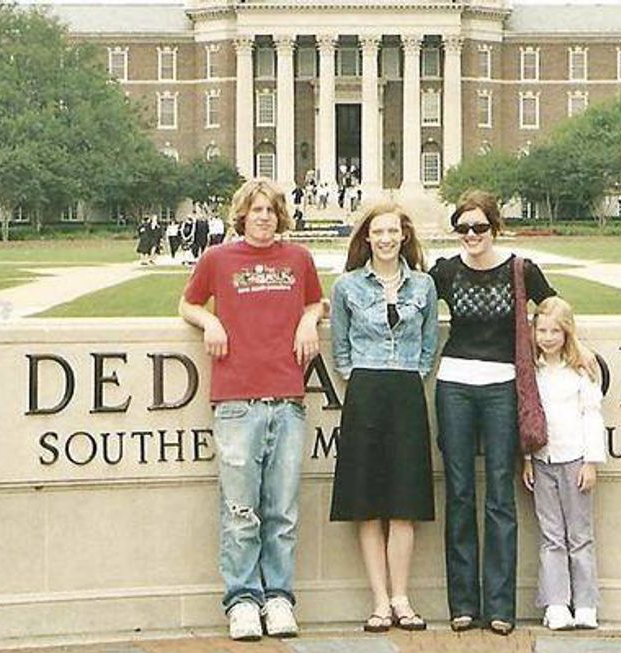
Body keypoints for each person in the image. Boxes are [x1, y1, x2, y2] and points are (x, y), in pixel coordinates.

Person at [179, 178, 324, 641]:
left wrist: (308, 320)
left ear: (281, 216)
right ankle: (242, 600)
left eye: (270, 210)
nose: (263, 217)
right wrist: (210, 320)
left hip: (287, 398)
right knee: (241, 510)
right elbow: (187, 303)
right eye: (256, 210)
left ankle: (278, 598)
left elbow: (316, 301)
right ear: (242, 215)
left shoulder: (298, 259)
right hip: (236, 400)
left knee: (282, 511)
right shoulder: (218, 258)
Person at [429, 190, 556, 636]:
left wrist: (571, 351)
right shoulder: (445, 271)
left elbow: (554, 310)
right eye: (463, 227)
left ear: (495, 227)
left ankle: (500, 606)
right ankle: (463, 603)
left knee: (501, 494)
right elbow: (409, 301)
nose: (471, 235)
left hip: (503, 386)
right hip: (454, 385)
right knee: (460, 492)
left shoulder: (521, 269)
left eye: (479, 227)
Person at [329, 202, 439, 634]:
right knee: (369, 504)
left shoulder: (424, 285)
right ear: (367, 238)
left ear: (404, 236)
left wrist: (412, 372)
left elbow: (429, 344)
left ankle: (401, 598)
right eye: (378, 232)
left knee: (404, 505)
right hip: (365, 391)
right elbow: (340, 347)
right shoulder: (347, 286)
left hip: (406, 390)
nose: (386, 239)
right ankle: (379, 601)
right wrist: (357, 375)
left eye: (393, 231)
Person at [521, 297, 605, 631]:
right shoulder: (532, 371)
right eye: (541, 330)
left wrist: (591, 461)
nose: (547, 337)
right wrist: (527, 459)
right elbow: (527, 417)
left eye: (555, 331)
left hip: (575, 460)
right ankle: (556, 603)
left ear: (567, 332)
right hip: (543, 460)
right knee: (551, 535)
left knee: (580, 536)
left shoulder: (581, 369)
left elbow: (592, 415)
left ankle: (585, 603)